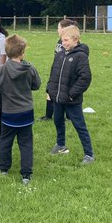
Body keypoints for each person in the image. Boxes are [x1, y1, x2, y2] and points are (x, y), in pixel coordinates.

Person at [0, 34, 41, 184]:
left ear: (6, 52)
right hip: (26, 112)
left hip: (9, 113)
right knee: (26, 143)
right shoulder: (30, 69)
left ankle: (4, 168)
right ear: (23, 52)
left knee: (5, 141)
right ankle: (26, 174)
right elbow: (36, 85)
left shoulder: (1, 70)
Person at [46, 24, 94, 163]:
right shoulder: (59, 54)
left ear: (76, 39)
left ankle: (89, 154)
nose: (63, 43)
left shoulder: (81, 56)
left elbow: (85, 78)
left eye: (66, 40)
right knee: (58, 121)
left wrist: (71, 94)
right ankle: (61, 145)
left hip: (72, 100)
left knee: (80, 125)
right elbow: (53, 73)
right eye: (62, 40)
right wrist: (50, 89)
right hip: (57, 98)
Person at [38, 17, 78, 120]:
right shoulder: (60, 41)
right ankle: (49, 116)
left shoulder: (68, 43)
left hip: (64, 73)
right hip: (57, 70)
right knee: (50, 92)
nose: (57, 30)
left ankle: (68, 116)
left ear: (65, 29)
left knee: (64, 93)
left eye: (58, 28)